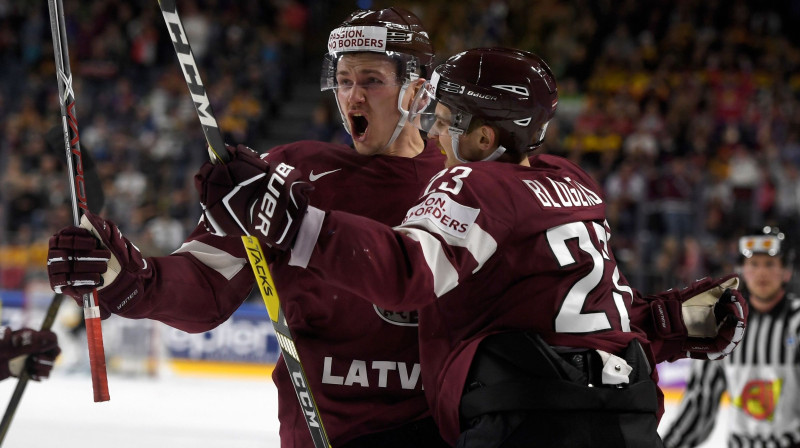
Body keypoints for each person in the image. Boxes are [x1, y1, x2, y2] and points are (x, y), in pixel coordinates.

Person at [194, 47, 749, 447]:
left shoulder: (474, 183)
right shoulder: (572, 183)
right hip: (625, 419)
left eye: (443, 121)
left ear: (485, 137)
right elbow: (596, 322)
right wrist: (674, 322)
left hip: (526, 423)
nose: (434, 135)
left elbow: (406, 273)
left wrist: (285, 218)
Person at [47, 7, 450, 448]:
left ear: (417, 91)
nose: (352, 97)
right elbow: (206, 285)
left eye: (372, 80)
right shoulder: (288, 174)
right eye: (344, 80)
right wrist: (127, 277)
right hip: (324, 436)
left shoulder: (464, 185)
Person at [662, 225, 800, 448]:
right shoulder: (724, 327)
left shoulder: (797, 323)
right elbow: (699, 407)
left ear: (787, 271)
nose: (761, 272)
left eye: (770, 264)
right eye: (754, 264)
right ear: (742, 270)